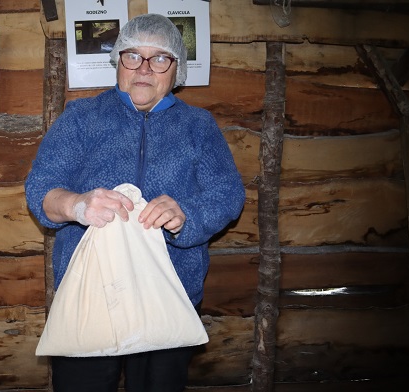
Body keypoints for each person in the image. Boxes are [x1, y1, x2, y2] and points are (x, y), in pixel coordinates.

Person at [25, 13, 245, 392]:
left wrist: (186, 214)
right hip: (90, 299)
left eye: (160, 58)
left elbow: (228, 193)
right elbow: (41, 189)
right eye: (133, 56)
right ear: (118, 62)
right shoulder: (81, 118)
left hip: (169, 295)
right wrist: (77, 205)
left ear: (176, 69)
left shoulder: (199, 126)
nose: (144, 68)